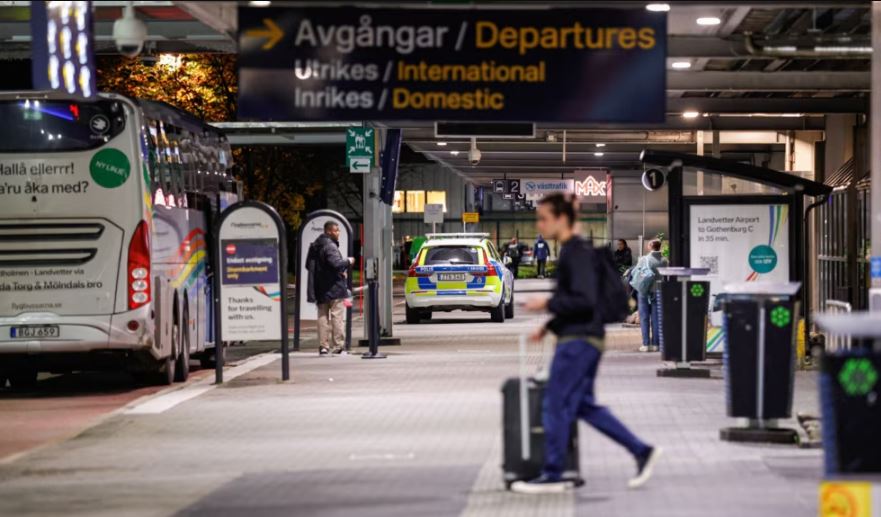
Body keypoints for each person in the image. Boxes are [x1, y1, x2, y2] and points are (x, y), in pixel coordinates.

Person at [514, 193, 661, 495]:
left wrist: (546, 303)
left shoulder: (575, 252)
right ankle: (641, 451)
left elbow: (583, 300)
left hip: (577, 341)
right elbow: (580, 300)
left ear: (562, 219)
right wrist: (549, 326)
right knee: (582, 405)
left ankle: (554, 473)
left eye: (544, 218)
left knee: (554, 402)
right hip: (585, 337)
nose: (539, 225)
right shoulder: (576, 251)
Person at [306, 221, 354, 356]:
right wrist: (349, 261)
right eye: (336, 230)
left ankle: (323, 346)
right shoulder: (330, 246)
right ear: (328, 231)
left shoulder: (315, 246)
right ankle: (338, 346)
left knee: (322, 317)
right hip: (335, 287)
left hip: (320, 287)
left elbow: (308, 265)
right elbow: (336, 264)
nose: (338, 233)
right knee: (337, 316)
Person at [631, 240, 668, 353]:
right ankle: (656, 344)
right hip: (658, 291)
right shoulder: (665, 260)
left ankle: (646, 344)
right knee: (656, 318)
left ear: (650, 246)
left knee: (644, 318)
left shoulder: (644, 259)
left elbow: (635, 273)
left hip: (644, 291)